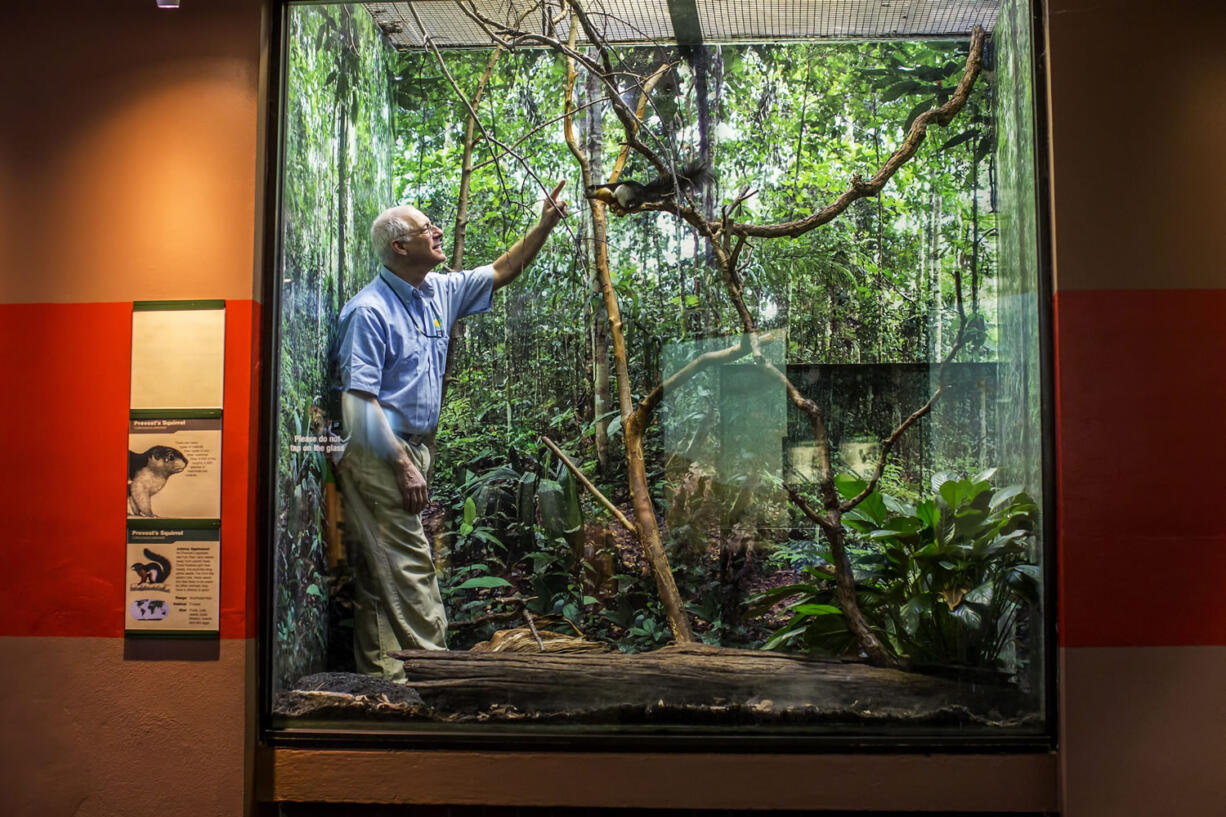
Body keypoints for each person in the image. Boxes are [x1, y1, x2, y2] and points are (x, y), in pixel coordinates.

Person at [332, 182, 569, 680]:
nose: (436, 231)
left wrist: (545, 223)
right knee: (413, 567)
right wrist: (401, 463)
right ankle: (441, 681)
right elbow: (359, 402)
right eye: (425, 228)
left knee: (383, 573)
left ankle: (390, 683)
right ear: (400, 247)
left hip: (411, 451)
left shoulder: (438, 290)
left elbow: (502, 269)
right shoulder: (369, 311)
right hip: (378, 453)